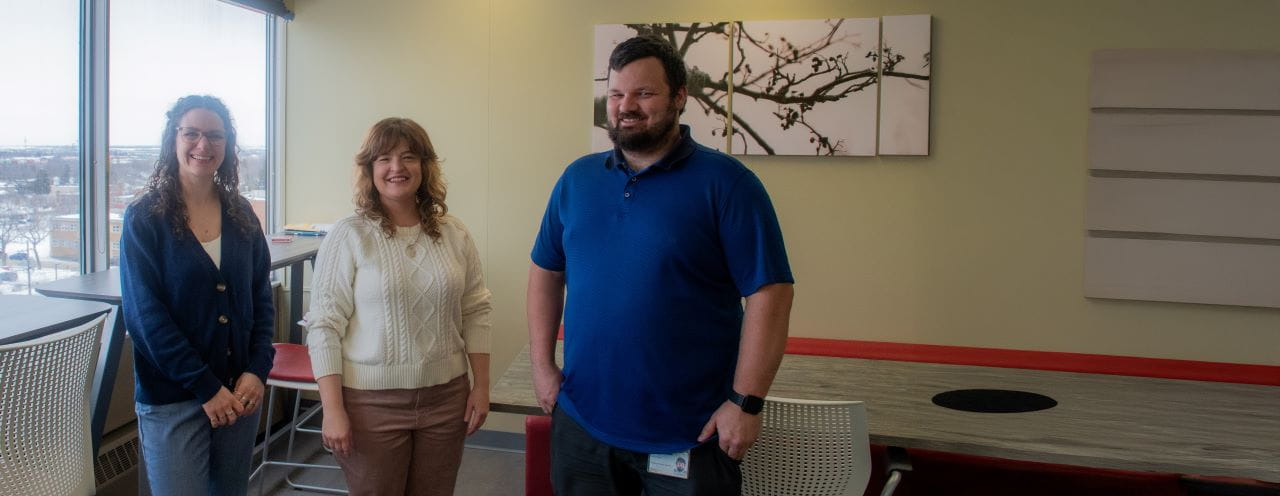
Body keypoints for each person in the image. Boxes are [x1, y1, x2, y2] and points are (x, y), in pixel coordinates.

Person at [528, 35, 795, 495]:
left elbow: (771, 292)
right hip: (583, 427)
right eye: (616, 94)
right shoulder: (577, 180)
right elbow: (545, 272)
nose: (625, 106)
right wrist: (542, 366)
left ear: (679, 97)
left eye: (643, 93)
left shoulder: (728, 185)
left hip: (689, 434)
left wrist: (745, 403)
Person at [305, 117, 493, 496]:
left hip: (446, 398)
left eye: (409, 157)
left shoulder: (453, 232)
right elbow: (324, 324)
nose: (397, 168)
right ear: (369, 169)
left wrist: (481, 386)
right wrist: (333, 408)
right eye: (384, 158)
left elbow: (476, 308)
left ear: (425, 166)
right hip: (370, 406)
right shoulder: (350, 234)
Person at [120, 94, 276, 495]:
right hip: (174, 398)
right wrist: (205, 387)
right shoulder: (145, 219)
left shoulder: (241, 214)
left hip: (239, 392)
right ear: (173, 139)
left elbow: (261, 301)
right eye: (192, 133)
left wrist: (258, 369)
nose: (203, 145)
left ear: (227, 146)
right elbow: (146, 320)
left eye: (215, 136)